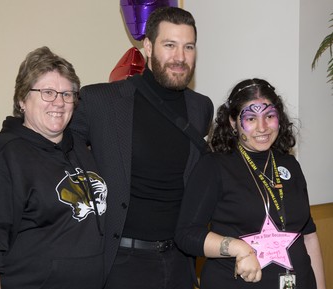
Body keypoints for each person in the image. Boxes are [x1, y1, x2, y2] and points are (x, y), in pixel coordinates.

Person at [69, 6, 214, 289]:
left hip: (180, 263)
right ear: (148, 46)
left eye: (188, 47)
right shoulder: (101, 101)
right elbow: (55, 148)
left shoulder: (201, 108)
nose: (180, 57)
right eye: (169, 45)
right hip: (121, 263)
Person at [0, 46, 108, 289]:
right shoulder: (0, 157)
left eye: (67, 94)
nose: (59, 102)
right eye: (47, 92)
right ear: (21, 99)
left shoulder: (80, 148)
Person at [175, 78, 326, 289]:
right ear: (233, 122)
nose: (262, 127)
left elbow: (308, 236)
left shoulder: (290, 165)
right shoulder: (214, 166)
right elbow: (186, 235)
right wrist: (238, 248)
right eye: (251, 118)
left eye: (270, 116)